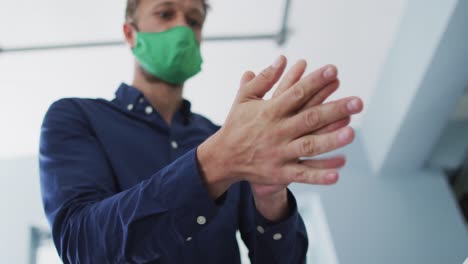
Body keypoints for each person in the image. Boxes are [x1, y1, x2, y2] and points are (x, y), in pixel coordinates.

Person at [39, 0, 364, 263]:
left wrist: (271, 197)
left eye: (193, 20)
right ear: (130, 34)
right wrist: (214, 164)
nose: (182, 28)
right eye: (165, 13)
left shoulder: (227, 138)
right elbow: (80, 245)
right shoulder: (77, 117)